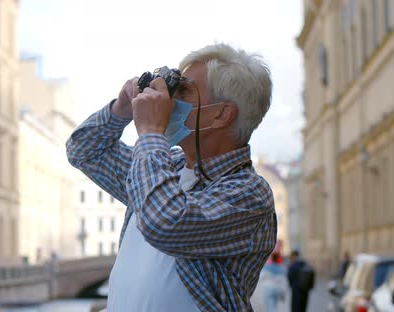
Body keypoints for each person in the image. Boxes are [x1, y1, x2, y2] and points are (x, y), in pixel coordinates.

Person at [66, 43, 276, 311]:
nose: (169, 99)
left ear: (222, 114)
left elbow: (165, 223)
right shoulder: (167, 167)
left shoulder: (249, 194)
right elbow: (83, 150)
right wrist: (120, 111)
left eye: (184, 90)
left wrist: (151, 132)